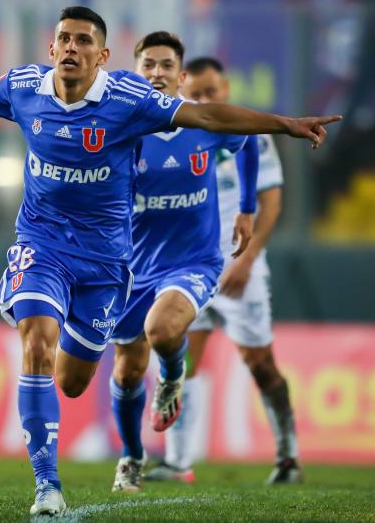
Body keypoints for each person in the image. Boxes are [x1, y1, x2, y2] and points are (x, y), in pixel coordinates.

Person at [0, 6, 339, 515]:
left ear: (102, 55)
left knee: (72, 382)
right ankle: (46, 486)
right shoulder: (24, 87)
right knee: (36, 343)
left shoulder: (129, 99)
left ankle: (154, 398)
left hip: (106, 262)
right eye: (64, 39)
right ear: (51, 49)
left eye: (83, 41)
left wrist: (286, 124)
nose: (71, 48)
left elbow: (207, 115)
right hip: (42, 245)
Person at [107, 31, 260, 493]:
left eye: (166, 65)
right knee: (127, 369)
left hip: (192, 261)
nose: (157, 72)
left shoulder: (202, 124)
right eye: (148, 65)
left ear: (181, 75)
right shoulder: (121, 129)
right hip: (132, 267)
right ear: (137, 74)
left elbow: (248, 141)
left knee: (162, 330)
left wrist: (247, 207)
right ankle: (132, 455)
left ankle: (172, 376)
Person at [146, 56, 301, 485]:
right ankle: (178, 461)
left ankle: (288, 455)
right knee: (180, 358)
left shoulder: (248, 132)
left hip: (237, 267)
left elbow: (271, 202)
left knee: (259, 361)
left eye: (211, 92)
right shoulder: (172, 128)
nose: (203, 99)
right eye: (195, 93)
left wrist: (246, 261)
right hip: (187, 265)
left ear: (226, 89)